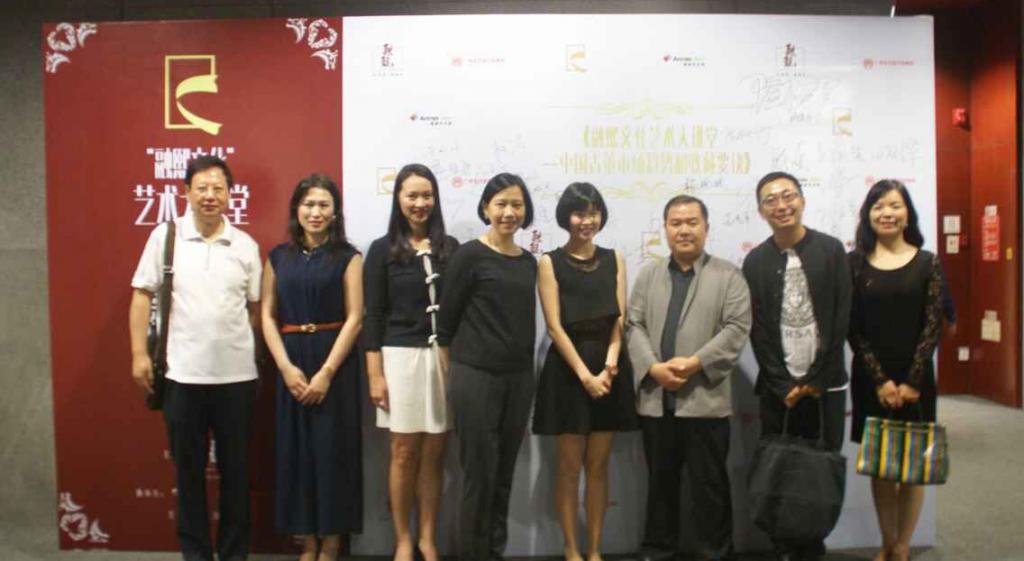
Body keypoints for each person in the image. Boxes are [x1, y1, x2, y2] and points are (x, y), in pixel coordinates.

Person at [129, 156, 262, 561]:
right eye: (201, 187)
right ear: (186, 192)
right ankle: (196, 554)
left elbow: (255, 309)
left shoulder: (245, 246)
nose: (210, 195)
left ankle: (234, 553)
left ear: (230, 195)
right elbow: (142, 296)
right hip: (182, 378)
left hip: (236, 380)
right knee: (188, 476)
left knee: (236, 475)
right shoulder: (166, 237)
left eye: (218, 188)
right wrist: (138, 353)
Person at [626, 194, 751, 561]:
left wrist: (695, 363)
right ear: (665, 229)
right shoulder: (649, 274)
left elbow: (736, 328)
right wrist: (653, 368)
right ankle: (658, 549)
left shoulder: (729, 275)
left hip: (705, 401)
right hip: (657, 400)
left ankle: (714, 552)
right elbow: (633, 324)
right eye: (676, 223)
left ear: (706, 228)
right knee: (660, 484)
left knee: (709, 485)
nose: (684, 230)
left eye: (692, 222)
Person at [742, 171, 851, 561]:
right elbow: (757, 329)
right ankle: (782, 548)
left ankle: (814, 548)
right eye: (771, 199)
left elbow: (840, 318)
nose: (781, 205)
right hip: (779, 390)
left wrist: (816, 380)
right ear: (761, 211)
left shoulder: (832, 251)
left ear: (802, 200)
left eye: (788, 196)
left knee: (819, 472)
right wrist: (783, 383)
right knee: (780, 470)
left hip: (826, 386)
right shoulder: (756, 261)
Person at [532, 183, 638, 561]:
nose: (587, 220)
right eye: (579, 213)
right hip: (568, 371)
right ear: (566, 217)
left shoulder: (615, 258)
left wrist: (609, 366)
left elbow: (619, 319)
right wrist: (585, 376)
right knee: (568, 467)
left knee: (598, 465)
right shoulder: (550, 262)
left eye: (593, 212)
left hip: (609, 369)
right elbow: (554, 327)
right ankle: (571, 549)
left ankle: (594, 549)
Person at [261, 174, 364, 561]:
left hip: (334, 361)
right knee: (297, 450)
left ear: (335, 212)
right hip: (291, 362)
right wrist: (285, 368)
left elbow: (355, 318)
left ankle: (333, 539)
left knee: (333, 450)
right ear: (296, 209)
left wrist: (326, 372)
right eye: (308, 204)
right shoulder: (278, 257)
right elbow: (267, 316)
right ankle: (307, 540)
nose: (315, 212)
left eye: (323, 205)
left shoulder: (349, 257)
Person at [437, 172, 538, 561]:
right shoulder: (468, 256)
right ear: (485, 208)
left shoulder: (529, 262)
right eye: (501, 204)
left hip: (519, 380)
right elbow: (445, 327)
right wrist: (455, 380)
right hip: (474, 377)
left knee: (503, 476)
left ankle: (494, 552)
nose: (509, 212)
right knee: (478, 477)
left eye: (516, 204)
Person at [363, 164, 459, 561]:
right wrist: (375, 374)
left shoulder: (451, 248)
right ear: (398, 199)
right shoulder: (381, 250)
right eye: (412, 195)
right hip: (398, 358)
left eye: (427, 195)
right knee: (403, 451)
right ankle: (402, 539)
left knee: (435, 452)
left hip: (444, 358)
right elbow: (373, 315)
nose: (420, 203)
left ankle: (427, 538)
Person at [848, 180, 944, 561]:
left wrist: (912, 381)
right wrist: (881, 381)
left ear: (907, 214)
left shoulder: (928, 262)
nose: (886, 213)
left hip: (917, 382)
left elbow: (932, 326)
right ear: (868, 215)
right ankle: (887, 542)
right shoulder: (854, 264)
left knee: (913, 468)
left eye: (894, 205)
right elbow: (853, 329)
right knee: (882, 468)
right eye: (878, 206)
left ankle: (903, 545)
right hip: (871, 379)